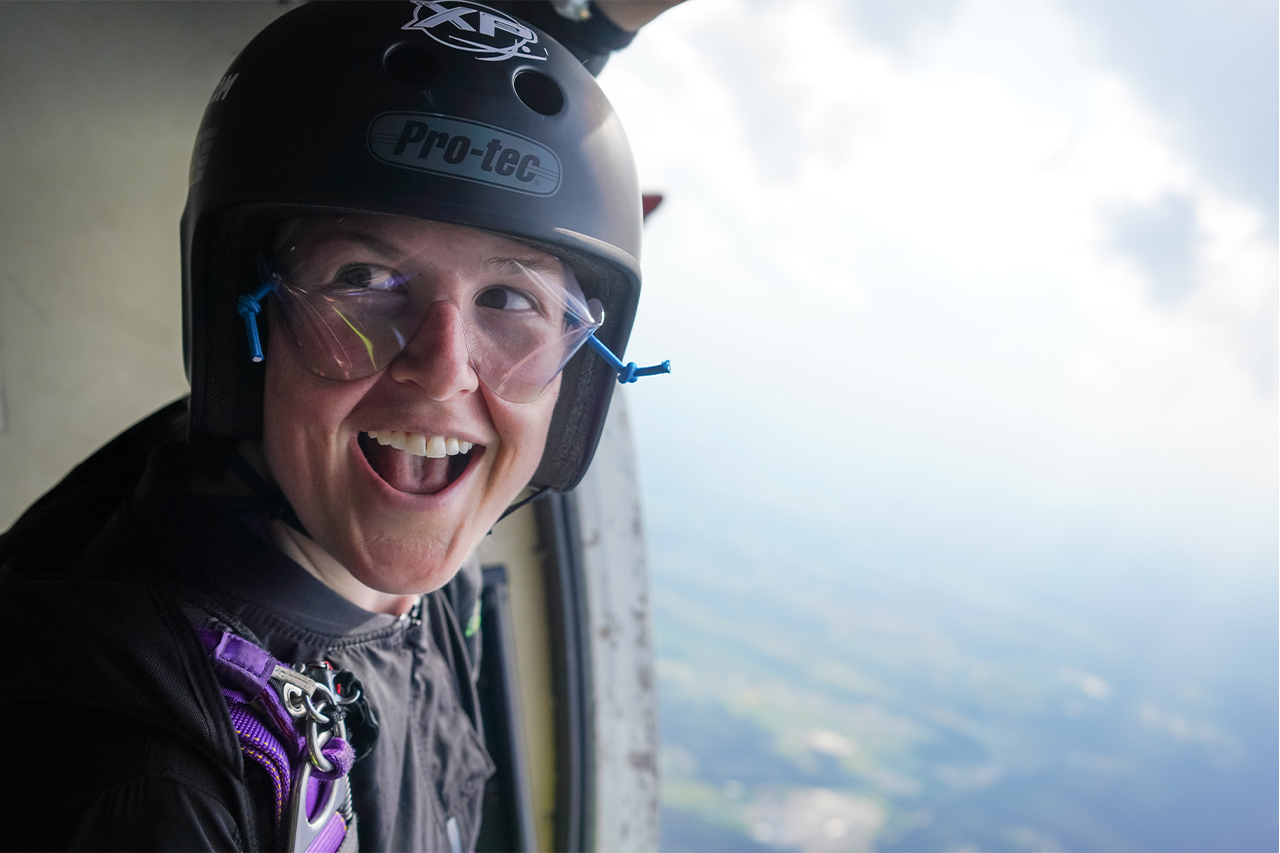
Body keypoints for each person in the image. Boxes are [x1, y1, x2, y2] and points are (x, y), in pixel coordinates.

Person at [0, 2, 673, 850]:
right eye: (364, 277)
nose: (441, 368)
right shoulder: (149, 789)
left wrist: (593, 24)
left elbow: (459, 140)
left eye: (509, 299)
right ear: (247, 328)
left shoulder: (364, 539)